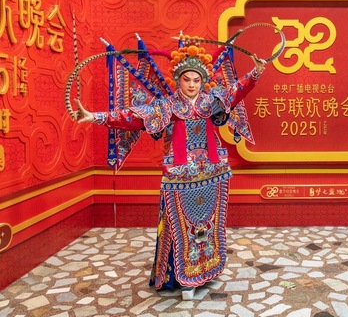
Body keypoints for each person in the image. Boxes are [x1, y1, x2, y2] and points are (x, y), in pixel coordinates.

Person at [75, 42, 267, 300]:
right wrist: (95, 117)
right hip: (179, 176)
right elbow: (133, 118)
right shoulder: (167, 106)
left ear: (202, 81)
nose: (192, 85)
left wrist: (256, 72)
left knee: (207, 225)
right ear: (179, 81)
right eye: (187, 80)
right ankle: (180, 278)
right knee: (179, 226)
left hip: (212, 173)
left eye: (196, 80)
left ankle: (206, 270)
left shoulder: (210, 102)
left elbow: (236, 91)